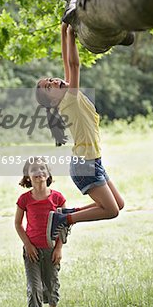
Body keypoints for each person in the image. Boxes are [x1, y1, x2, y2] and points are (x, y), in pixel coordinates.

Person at [36, 23, 124, 248]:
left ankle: (65, 214)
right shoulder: (69, 98)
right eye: (49, 87)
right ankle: (64, 219)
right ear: (53, 99)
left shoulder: (66, 96)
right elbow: (74, 64)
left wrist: (64, 30)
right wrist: (73, 35)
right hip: (84, 165)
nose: (54, 81)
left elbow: (66, 63)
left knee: (119, 204)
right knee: (111, 211)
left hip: (92, 162)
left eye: (51, 79)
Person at [15, 156, 75, 307]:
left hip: (51, 249)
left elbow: (64, 225)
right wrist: (27, 245)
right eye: (33, 169)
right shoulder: (24, 199)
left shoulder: (57, 198)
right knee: (34, 287)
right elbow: (18, 224)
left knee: (51, 283)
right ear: (27, 176)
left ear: (48, 174)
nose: (38, 172)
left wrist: (59, 248)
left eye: (42, 168)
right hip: (32, 250)